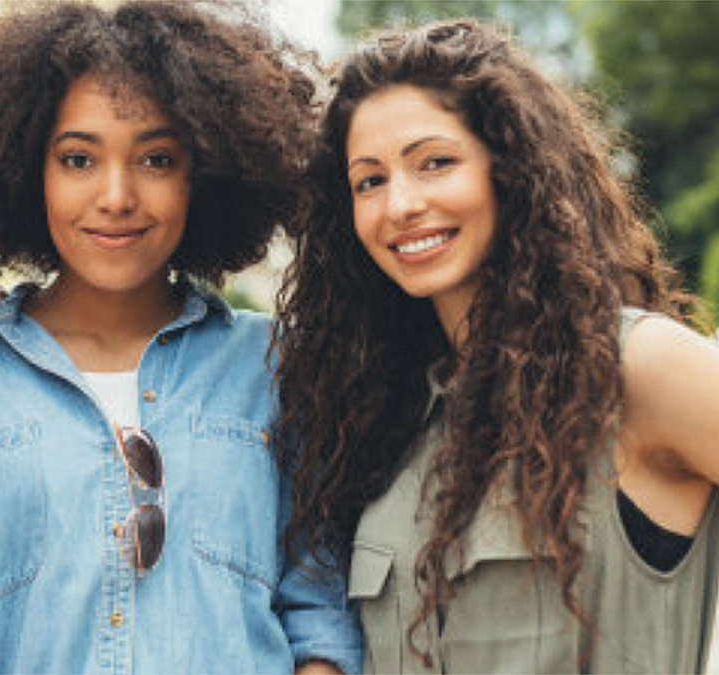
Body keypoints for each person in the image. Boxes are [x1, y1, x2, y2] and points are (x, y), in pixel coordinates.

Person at [0, 2, 362, 673]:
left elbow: (320, 605)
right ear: (30, 170)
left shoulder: (278, 366)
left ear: (203, 174)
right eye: (78, 158)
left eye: (156, 158)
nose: (116, 195)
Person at [274, 18, 719, 673]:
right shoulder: (385, 428)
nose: (400, 203)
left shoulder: (635, 368)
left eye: (435, 162)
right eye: (369, 180)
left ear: (509, 168)